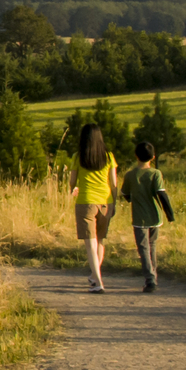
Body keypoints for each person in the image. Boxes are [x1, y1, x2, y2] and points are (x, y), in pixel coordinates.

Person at [69, 122, 119, 292]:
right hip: (105, 201)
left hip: (85, 201)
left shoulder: (78, 157)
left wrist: (72, 190)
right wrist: (114, 202)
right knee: (100, 240)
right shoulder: (109, 156)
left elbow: (72, 181)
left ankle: (98, 281)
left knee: (89, 242)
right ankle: (94, 275)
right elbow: (113, 183)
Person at [121, 139, 177, 291]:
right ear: (153, 157)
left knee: (143, 248)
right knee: (152, 246)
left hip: (139, 218)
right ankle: (153, 276)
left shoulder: (130, 175)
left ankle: (150, 278)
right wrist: (169, 214)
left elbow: (125, 194)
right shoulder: (156, 174)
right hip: (155, 216)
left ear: (136, 156)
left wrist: (133, 198)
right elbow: (161, 194)